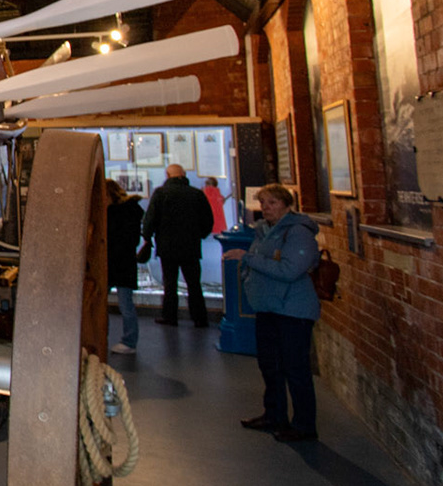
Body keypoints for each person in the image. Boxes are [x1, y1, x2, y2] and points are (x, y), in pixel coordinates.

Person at [224, 183, 320, 442]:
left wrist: (248, 260)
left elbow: (290, 270)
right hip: (268, 308)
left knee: (295, 368)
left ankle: (304, 424)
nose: (266, 208)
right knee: (270, 365)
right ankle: (274, 414)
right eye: (263, 203)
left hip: (293, 311)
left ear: (286, 205)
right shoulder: (264, 231)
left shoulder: (298, 233)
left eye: (272, 203)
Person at [140, 163, 213, 326]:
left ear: (167, 175)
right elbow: (208, 220)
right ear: (184, 174)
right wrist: (199, 235)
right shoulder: (196, 194)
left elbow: (150, 218)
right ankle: (200, 318)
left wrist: (147, 237)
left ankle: (170, 316)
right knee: (194, 283)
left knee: (170, 283)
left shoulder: (161, 193)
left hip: (167, 246)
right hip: (190, 246)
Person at [105, 178, 145, 355]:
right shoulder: (131, 211)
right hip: (123, 263)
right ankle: (129, 340)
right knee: (125, 304)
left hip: (115, 262)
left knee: (124, 305)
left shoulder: (115, 213)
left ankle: (128, 340)